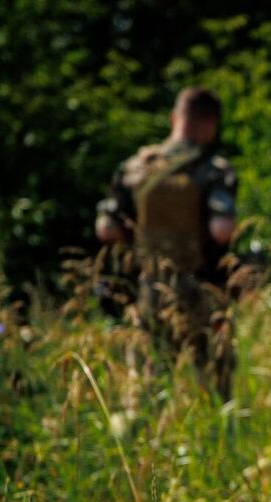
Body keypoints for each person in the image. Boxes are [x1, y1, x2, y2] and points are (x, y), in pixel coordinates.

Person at [96, 86, 238, 399]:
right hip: (203, 293)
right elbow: (222, 230)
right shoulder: (214, 171)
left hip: (149, 290)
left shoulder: (136, 168)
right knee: (217, 386)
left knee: (148, 385)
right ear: (211, 124)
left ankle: (139, 441)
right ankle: (222, 442)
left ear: (175, 117)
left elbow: (107, 230)